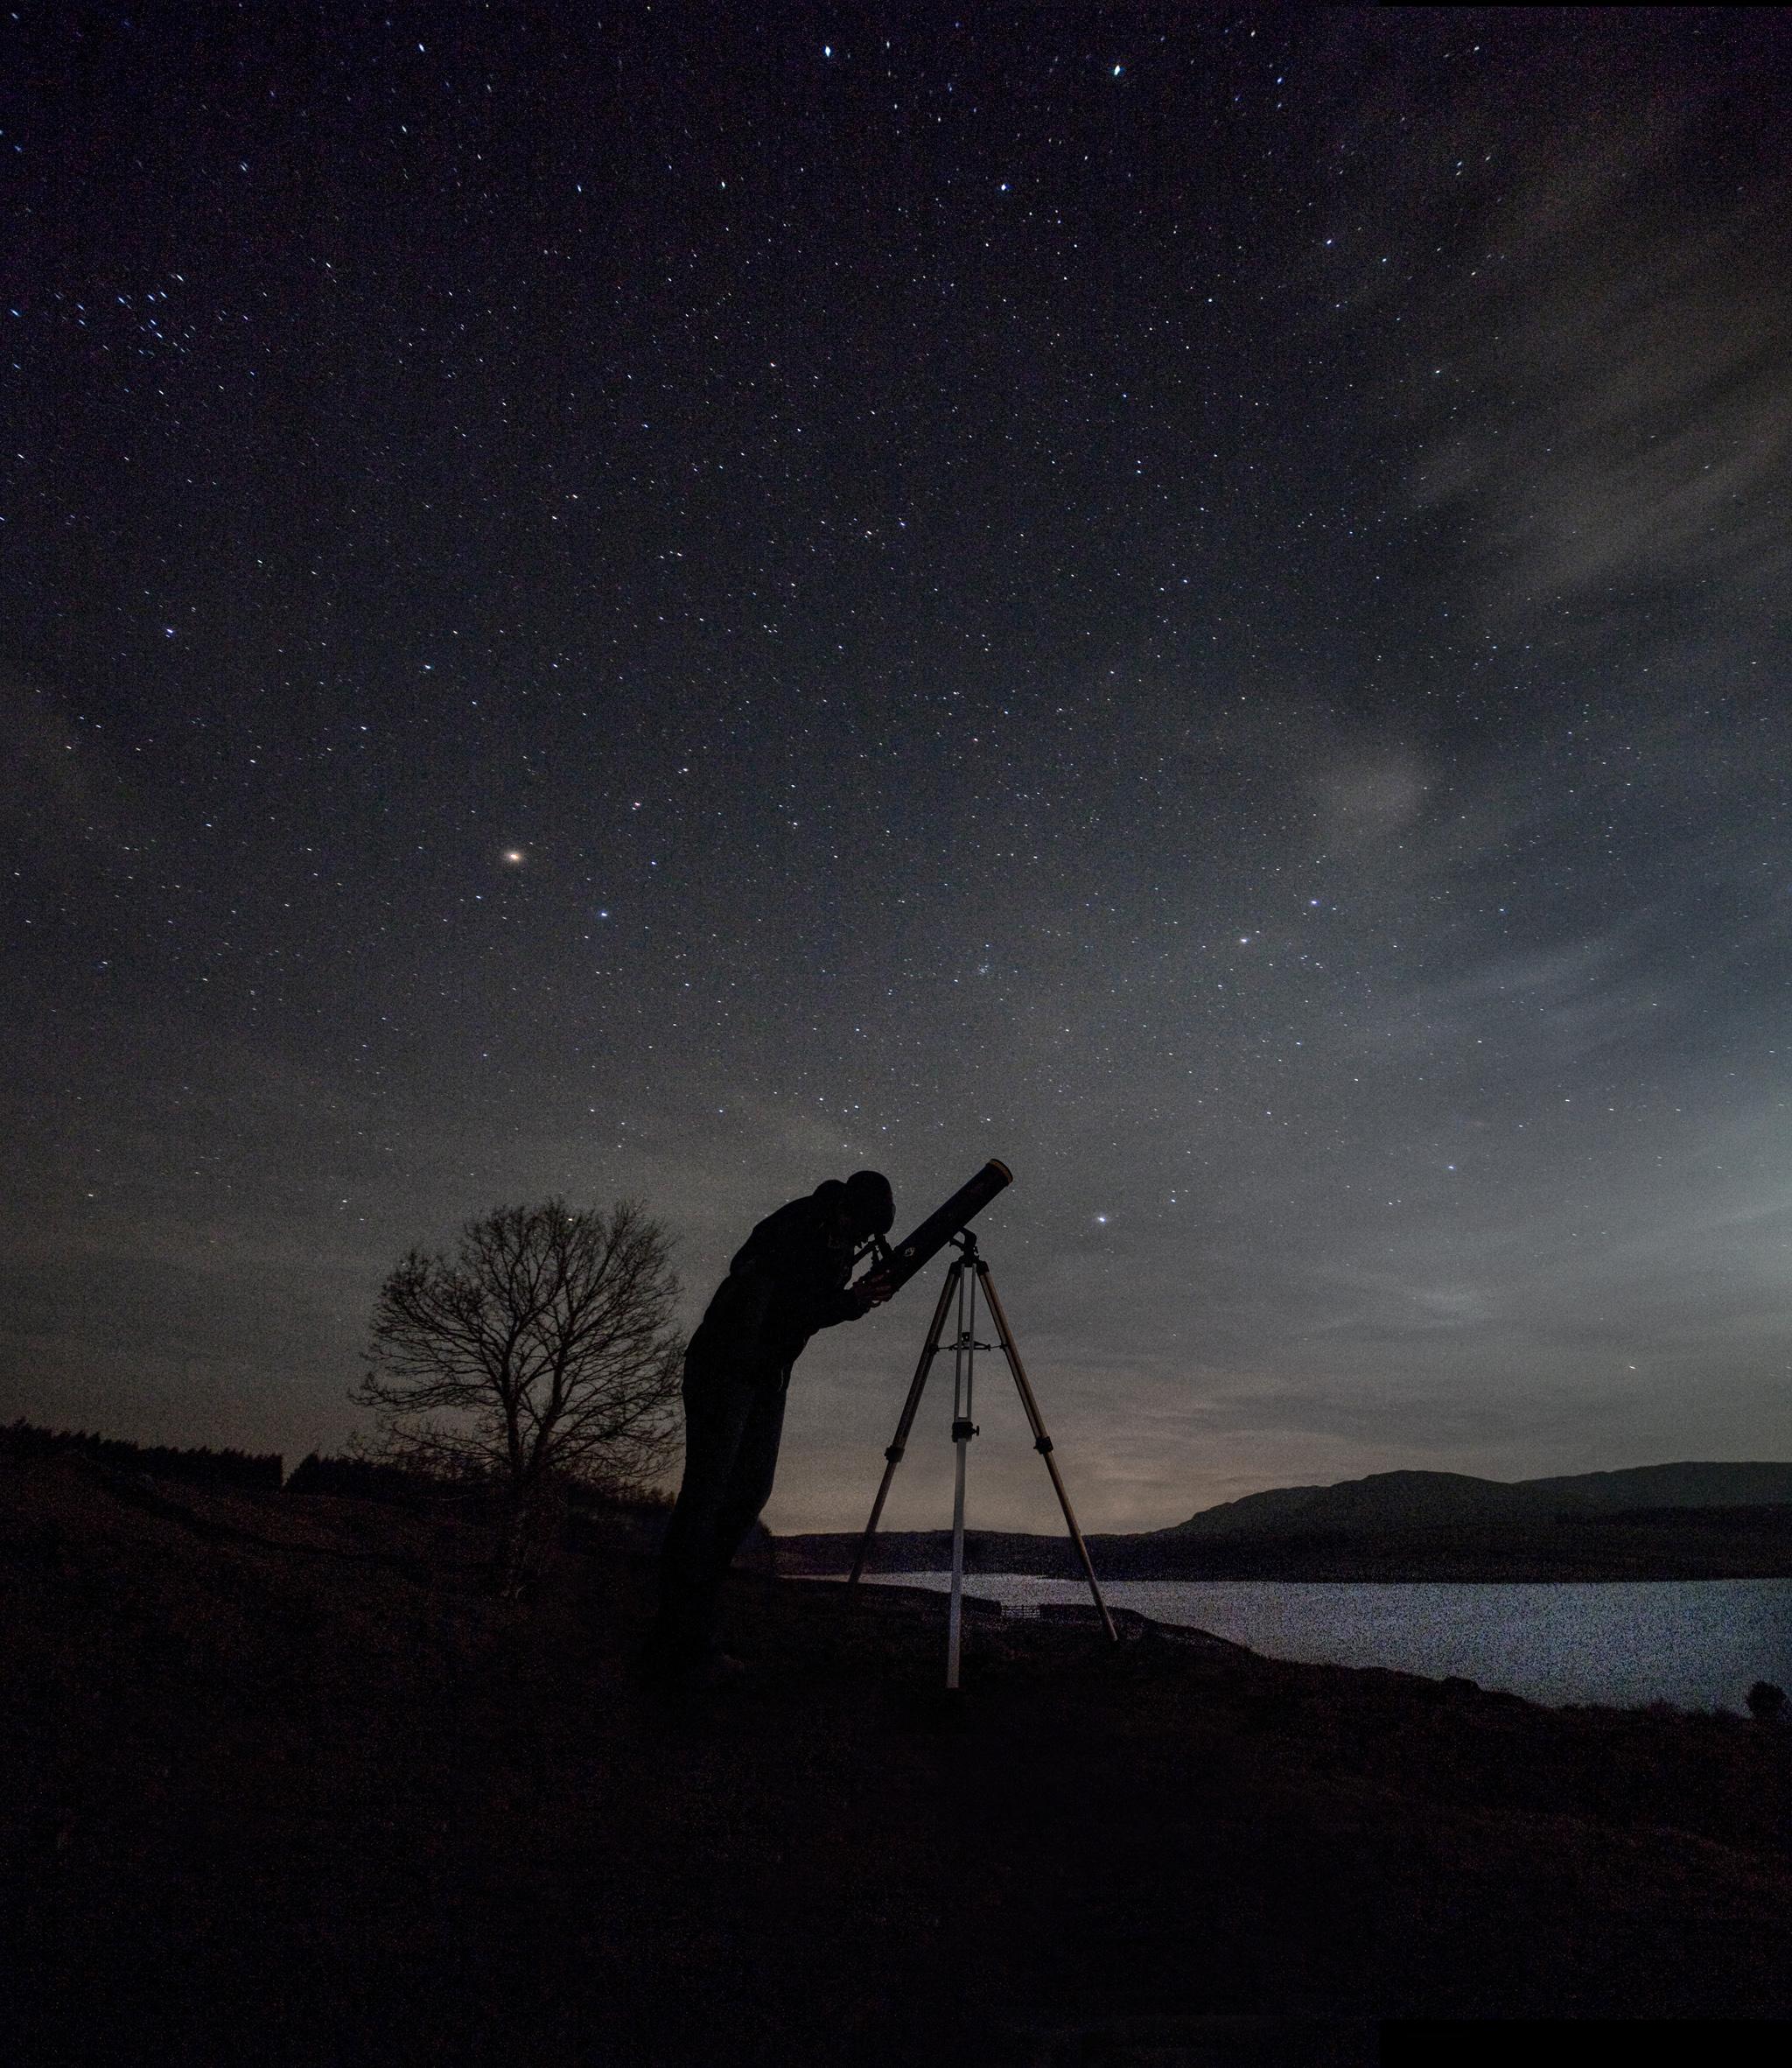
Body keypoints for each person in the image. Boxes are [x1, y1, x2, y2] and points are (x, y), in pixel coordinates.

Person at [643, 1169, 895, 1689]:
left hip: (764, 1372)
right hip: (729, 1366)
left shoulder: (833, 1234)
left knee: (747, 1492)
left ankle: (694, 1620)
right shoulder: (803, 1224)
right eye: (861, 1230)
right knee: (707, 1496)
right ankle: (676, 1639)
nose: (860, 1242)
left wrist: (847, 1300)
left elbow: (799, 1309)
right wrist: (851, 1302)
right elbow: (784, 1300)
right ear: (849, 1210)